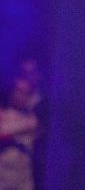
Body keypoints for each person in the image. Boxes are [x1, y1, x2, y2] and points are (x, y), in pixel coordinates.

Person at [0, 58, 42, 190]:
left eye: (25, 93)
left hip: (23, 179)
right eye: (18, 91)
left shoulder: (32, 117)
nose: (21, 96)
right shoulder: (4, 114)